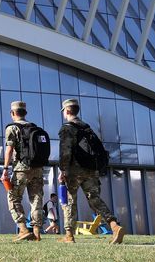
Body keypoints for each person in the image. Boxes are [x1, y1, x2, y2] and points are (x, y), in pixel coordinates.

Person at [58, 98, 126, 244]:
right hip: (91, 169)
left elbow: (65, 152)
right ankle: (114, 225)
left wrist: (62, 170)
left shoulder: (67, 128)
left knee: (70, 201)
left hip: (74, 171)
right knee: (95, 199)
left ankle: (69, 235)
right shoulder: (87, 128)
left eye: (64, 111)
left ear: (68, 111)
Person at [0, 100, 49, 242]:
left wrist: (5, 169)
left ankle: (22, 229)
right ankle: (37, 232)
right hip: (37, 168)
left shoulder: (12, 128)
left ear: (12, 113)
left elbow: (9, 149)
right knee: (36, 199)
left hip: (21, 169)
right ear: (25, 113)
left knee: (13, 198)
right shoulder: (35, 127)